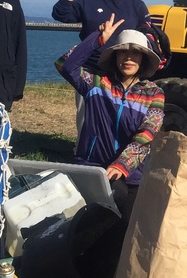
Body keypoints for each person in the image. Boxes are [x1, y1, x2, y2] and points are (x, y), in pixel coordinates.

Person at [55, 13, 166, 220]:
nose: (128, 58)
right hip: (90, 170)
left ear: (144, 58)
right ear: (114, 56)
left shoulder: (154, 93)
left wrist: (122, 165)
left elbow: (147, 134)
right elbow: (65, 64)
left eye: (135, 53)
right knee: (84, 228)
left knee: (123, 228)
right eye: (122, 52)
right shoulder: (96, 83)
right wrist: (97, 39)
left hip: (130, 177)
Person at [52, 0, 154, 133]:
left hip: (123, 74)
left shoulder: (136, 5)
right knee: (87, 121)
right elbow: (60, 14)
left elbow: (147, 36)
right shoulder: (88, 0)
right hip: (90, 71)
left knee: (119, 122)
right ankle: (83, 148)